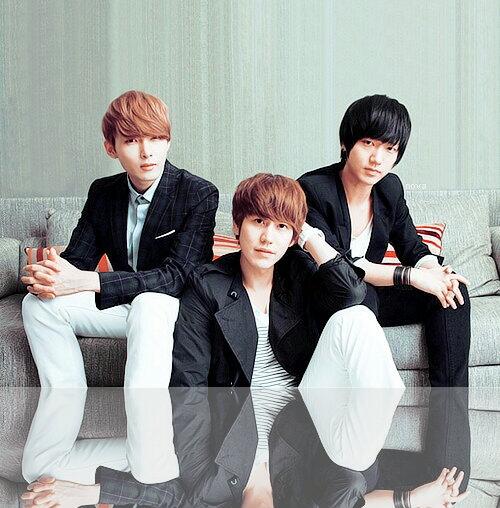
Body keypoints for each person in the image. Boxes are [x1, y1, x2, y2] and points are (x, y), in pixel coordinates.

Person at [21, 90, 219, 388]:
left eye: (156, 138)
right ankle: (66, 406)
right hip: (123, 302)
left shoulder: (197, 193)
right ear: (111, 148)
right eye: (132, 141)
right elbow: (77, 261)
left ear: (168, 141)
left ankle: (144, 415)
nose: (146, 152)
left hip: (173, 306)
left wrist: (90, 281)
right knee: (37, 305)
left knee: (148, 305)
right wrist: (48, 275)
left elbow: (177, 277)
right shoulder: (103, 192)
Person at [298, 95, 470, 387]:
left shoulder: (389, 188)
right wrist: (411, 276)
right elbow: (342, 266)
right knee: (360, 296)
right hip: (333, 296)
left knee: (453, 293)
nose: (377, 158)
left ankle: (448, 415)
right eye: (368, 143)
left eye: (390, 148)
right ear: (346, 143)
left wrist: (436, 274)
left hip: (371, 293)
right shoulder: (312, 190)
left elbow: (412, 247)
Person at [170, 172, 403, 388]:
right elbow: (189, 384)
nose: (267, 238)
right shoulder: (207, 285)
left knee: (357, 317)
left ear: (293, 237)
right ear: (237, 226)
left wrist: (309, 237)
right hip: (240, 415)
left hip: (304, 411)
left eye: (281, 226)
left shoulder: (298, 272)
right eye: (259, 221)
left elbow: (352, 293)